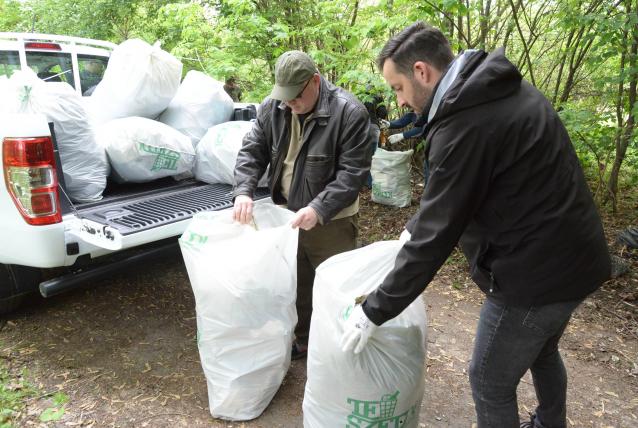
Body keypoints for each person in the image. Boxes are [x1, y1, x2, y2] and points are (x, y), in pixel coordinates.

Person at [340, 22, 611, 428]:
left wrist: (375, 310)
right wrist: (414, 225)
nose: (399, 102)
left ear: (421, 71)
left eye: (397, 88)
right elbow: (455, 195)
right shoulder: (498, 88)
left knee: (488, 380)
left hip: (535, 279)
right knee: (542, 351)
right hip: (577, 256)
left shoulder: (466, 122)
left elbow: (439, 233)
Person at [233, 50, 374, 360]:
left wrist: (319, 209)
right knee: (296, 282)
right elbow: (252, 150)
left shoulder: (349, 112)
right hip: (288, 217)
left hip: (332, 220)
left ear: (315, 81)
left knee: (335, 286)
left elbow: (352, 174)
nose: (290, 104)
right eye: (284, 96)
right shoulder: (274, 107)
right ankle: (305, 340)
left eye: (296, 96)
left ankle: (338, 349)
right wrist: (243, 190)